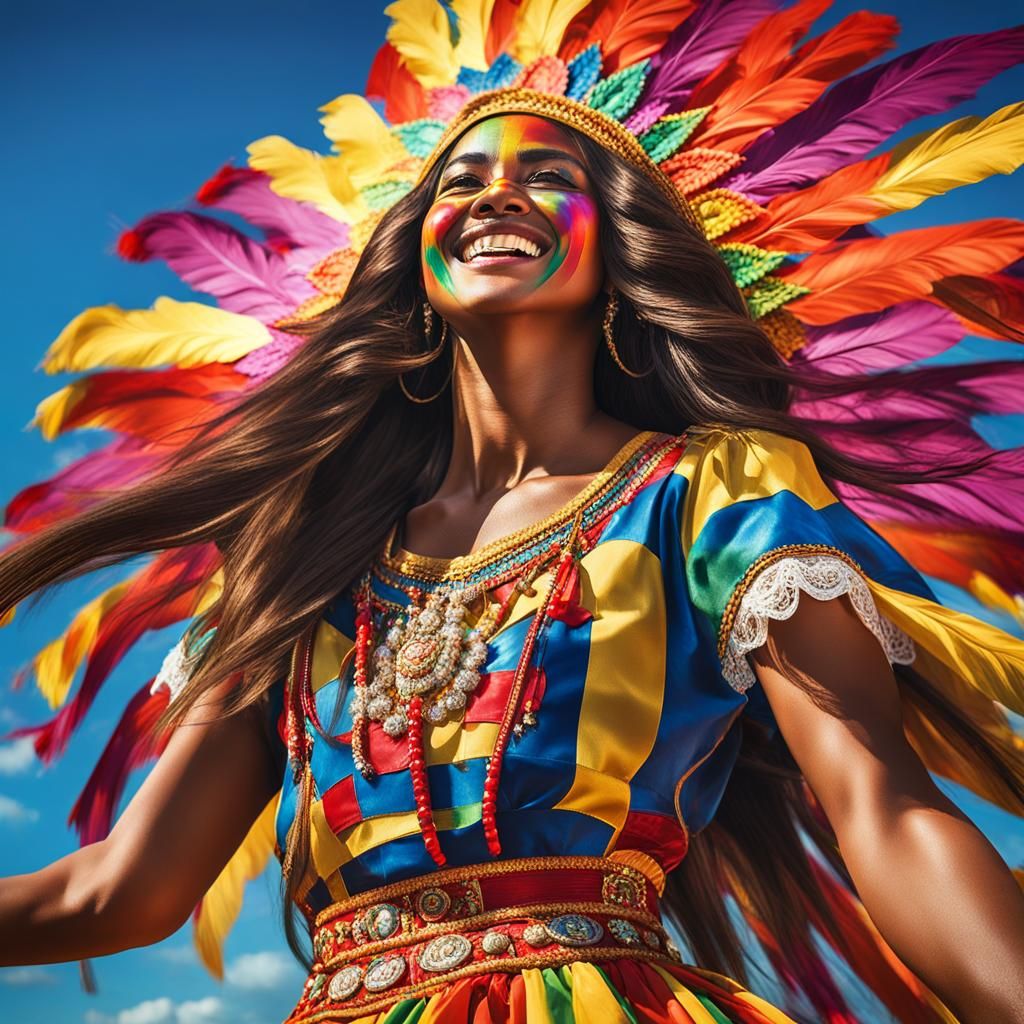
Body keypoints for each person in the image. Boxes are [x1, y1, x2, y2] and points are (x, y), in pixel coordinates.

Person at [1, 4, 1024, 1023]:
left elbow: (881, 805)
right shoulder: (303, 558)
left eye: (548, 177)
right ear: (413, 263)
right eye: (461, 181)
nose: (499, 196)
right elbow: (117, 893)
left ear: (618, 254)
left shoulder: (716, 493)